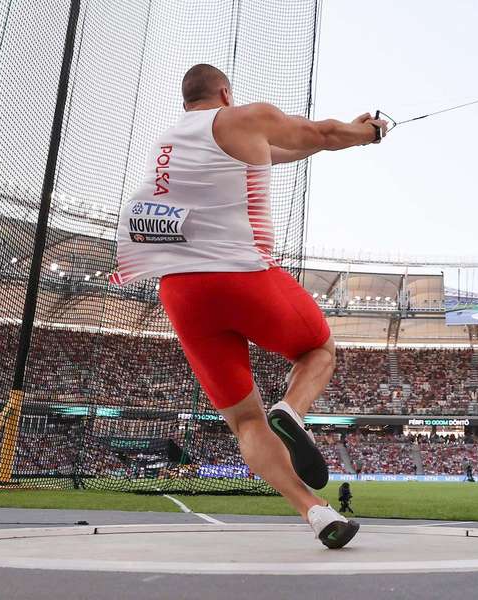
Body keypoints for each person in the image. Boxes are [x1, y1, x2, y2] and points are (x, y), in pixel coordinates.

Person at [113, 64, 387, 549]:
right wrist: (368, 133)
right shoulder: (242, 118)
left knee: (245, 421)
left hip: (182, 294)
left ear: (185, 101)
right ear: (224, 92)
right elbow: (321, 132)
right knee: (319, 351)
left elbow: (289, 150)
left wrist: (339, 134)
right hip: (241, 278)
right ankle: (294, 411)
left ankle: (315, 512)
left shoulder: (166, 145)